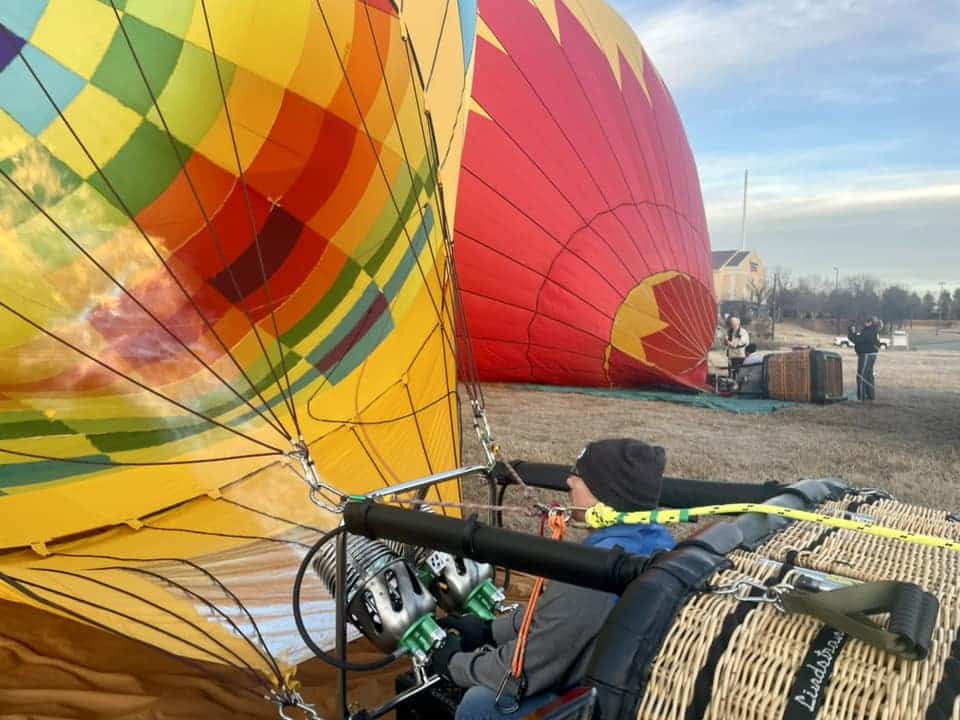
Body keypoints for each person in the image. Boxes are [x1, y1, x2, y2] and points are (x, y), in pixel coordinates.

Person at [428, 439, 677, 719]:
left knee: (480, 704)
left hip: (602, 702)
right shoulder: (657, 542)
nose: (569, 481)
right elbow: (556, 616)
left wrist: (453, 663)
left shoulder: (593, 571)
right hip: (626, 680)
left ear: (606, 494)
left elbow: (524, 669)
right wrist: (490, 630)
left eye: (580, 476)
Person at [848, 316, 882, 401]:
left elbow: (858, 340)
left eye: (866, 322)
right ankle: (870, 397)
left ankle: (862, 398)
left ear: (870, 322)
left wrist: (852, 333)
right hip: (871, 354)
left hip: (867, 354)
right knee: (869, 376)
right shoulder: (872, 330)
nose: (864, 323)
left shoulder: (870, 330)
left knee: (861, 376)